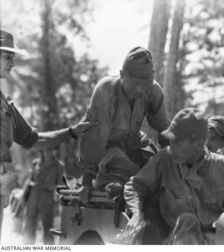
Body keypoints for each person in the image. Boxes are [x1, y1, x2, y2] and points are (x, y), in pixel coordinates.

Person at [0, 29, 97, 240]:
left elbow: (34, 140)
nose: (12, 63)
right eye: (7, 56)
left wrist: (72, 132)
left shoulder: (4, 103)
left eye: (13, 57)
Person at [121, 108, 224, 245]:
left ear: (198, 144)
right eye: (171, 140)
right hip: (177, 239)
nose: (171, 146)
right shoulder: (165, 159)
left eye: (177, 141)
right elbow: (135, 187)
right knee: (187, 221)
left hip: (214, 241)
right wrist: (137, 214)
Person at [79, 46, 170, 201]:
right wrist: (86, 182)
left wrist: (175, 161)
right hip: (106, 145)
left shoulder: (153, 90)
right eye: (135, 84)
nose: (141, 90)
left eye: (146, 83)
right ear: (122, 75)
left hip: (134, 141)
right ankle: (111, 184)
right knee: (124, 169)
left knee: (158, 168)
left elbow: (165, 129)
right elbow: (94, 139)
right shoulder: (106, 90)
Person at [24, 148, 64, 245]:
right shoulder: (35, 163)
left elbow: (60, 184)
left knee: (48, 228)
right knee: (29, 227)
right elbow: (29, 179)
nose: (48, 151)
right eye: (46, 149)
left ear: (54, 150)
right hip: (33, 197)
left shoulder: (59, 165)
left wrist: (58, 201)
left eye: (50, 148)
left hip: (47, 197)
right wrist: (24, 195)